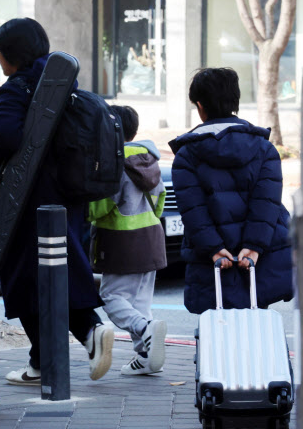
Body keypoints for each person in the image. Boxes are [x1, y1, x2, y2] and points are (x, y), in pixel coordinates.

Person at [0, 18, 114, 385]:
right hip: (65, 197)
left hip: (25, 201)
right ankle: (51, 355)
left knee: (22, 278)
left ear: (10, 56)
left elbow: (5, 137)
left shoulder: (16, 88)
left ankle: (86, 334)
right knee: (59, 268)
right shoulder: (62, 84)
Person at [169, 67, 293, 314]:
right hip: (257, 259)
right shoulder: (264, 149)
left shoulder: (187, 155)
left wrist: (214, 248)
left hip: (211, 259)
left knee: (216, 325)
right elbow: (266, 203)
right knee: (255, 316)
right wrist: (254, 247)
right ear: (234, 102)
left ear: (200, 106)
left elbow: (193, 211)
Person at [87, 105, 168, 375]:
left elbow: (100, 207)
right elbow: (160, 198)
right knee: (140, 302)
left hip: (123, 242)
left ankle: (146, 330)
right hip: (152, 237)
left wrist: (86, 209)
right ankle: (146, 357)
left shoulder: (114, 163)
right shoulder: (149, 160)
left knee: (111, 297)